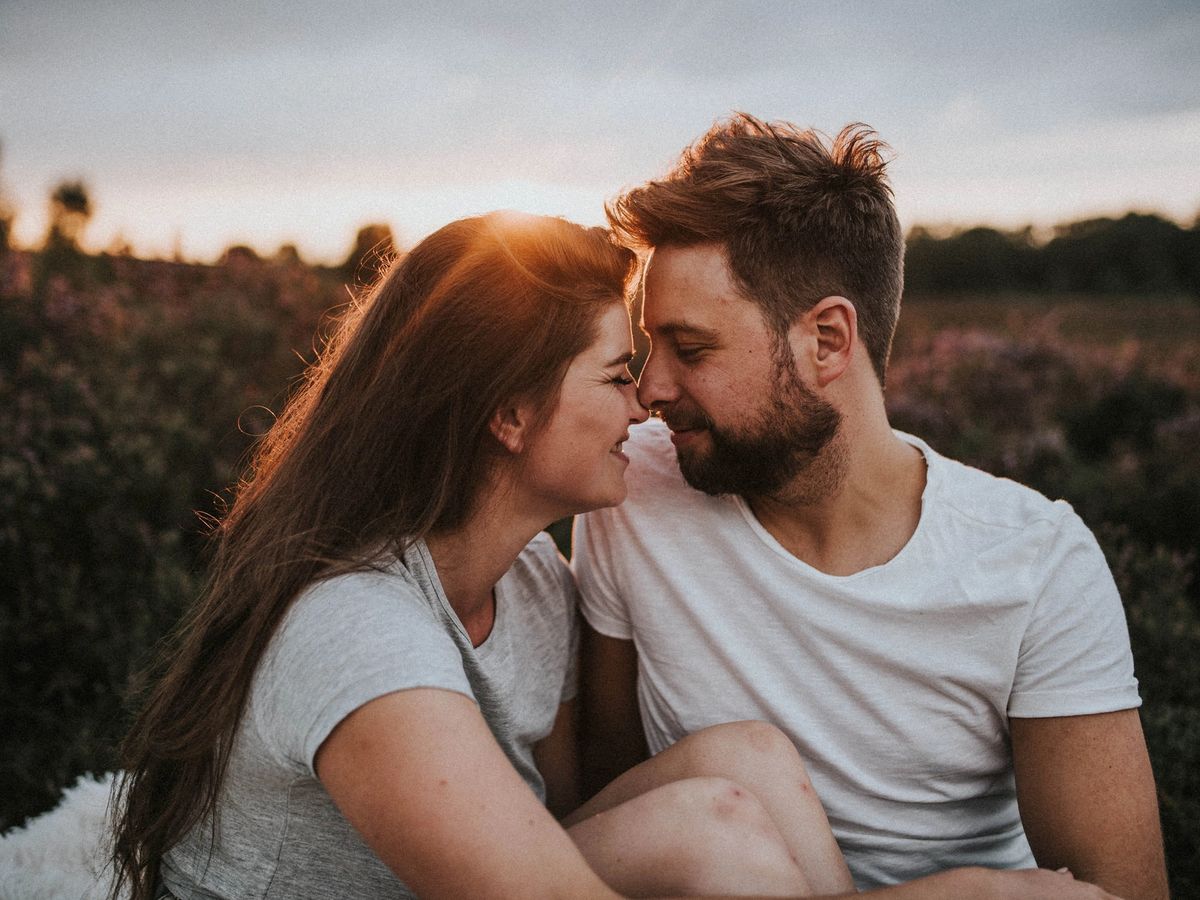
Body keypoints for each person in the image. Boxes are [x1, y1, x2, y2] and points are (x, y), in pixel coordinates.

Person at [107, 211, 858, 900]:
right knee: (713, 833)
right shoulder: (353, 625)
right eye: (614, 374)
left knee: (746, 762)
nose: (643, 402)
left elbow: (553, 824)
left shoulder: (532, 585)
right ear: (509, 413)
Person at [573, 115, 1169, 900]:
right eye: (648, 349)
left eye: (691, 347)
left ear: (826, 340)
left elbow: (1118, 890)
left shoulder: (1034, 561)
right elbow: (614, 797)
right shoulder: (631, 492)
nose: (650, 390)